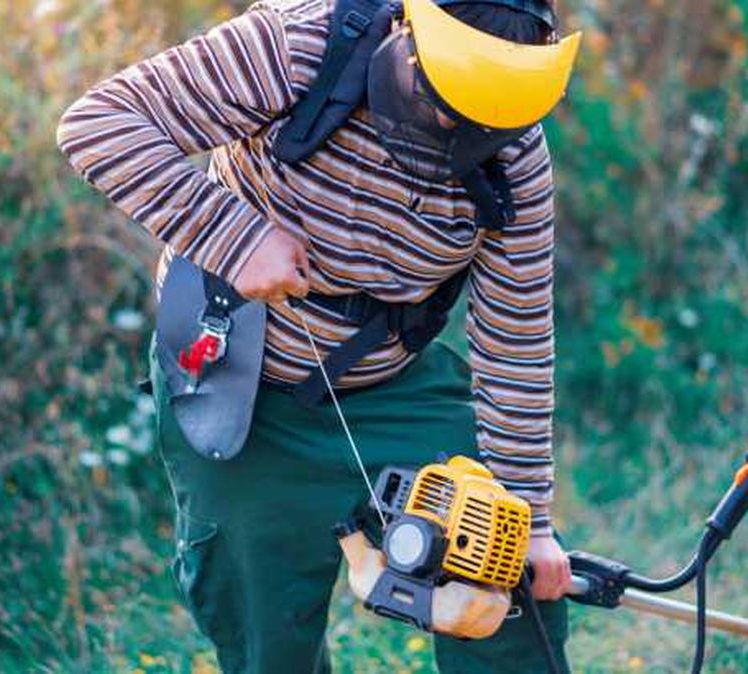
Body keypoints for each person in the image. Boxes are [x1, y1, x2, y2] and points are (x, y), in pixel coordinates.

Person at [56, 0, 579, 670]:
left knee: (505, 580)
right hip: (238, 385)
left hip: (391, 388)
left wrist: (530, 520)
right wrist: (236, 239)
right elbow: (100, 122)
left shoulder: (516, 159)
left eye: (483, 122)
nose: (457, 129)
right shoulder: (301, 42)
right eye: (444, 102)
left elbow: (516, 343)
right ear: (407, 32)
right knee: (260, 630)